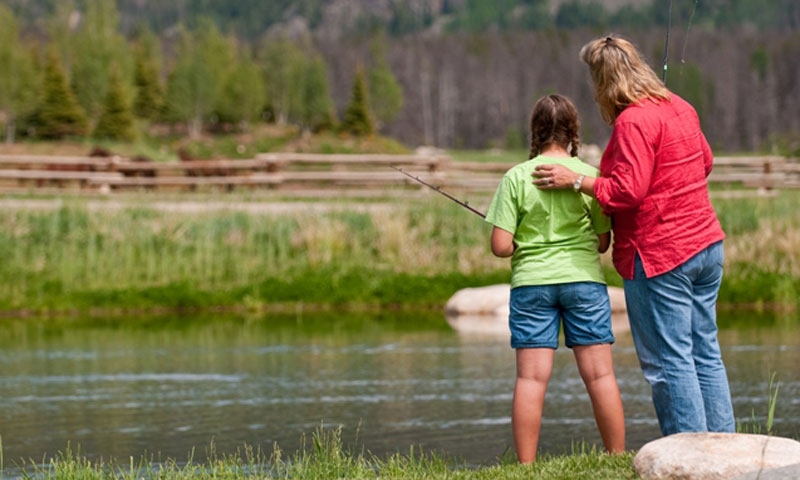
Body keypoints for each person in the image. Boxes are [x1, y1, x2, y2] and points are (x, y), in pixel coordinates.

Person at [533, 35, 736, 436]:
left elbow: (626, 192)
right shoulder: (680, 105)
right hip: (707, 246)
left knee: (669, 361)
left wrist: (578, 180)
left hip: (661, 256)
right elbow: (705, 162)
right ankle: (724, 445)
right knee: (705, 352)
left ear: (603, 82)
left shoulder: (633, 122)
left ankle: (689, 453)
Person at [485, 94, 626, 463]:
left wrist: (522, 243)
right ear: (573, 131)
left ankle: (526, 466)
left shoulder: (516, 177)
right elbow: (602, 243)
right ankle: (616, 457)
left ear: (535, 131)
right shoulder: (590, 177)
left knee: (531, 381)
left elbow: (500, 246)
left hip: (532, 284)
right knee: (599, 376)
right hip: (583, 282)